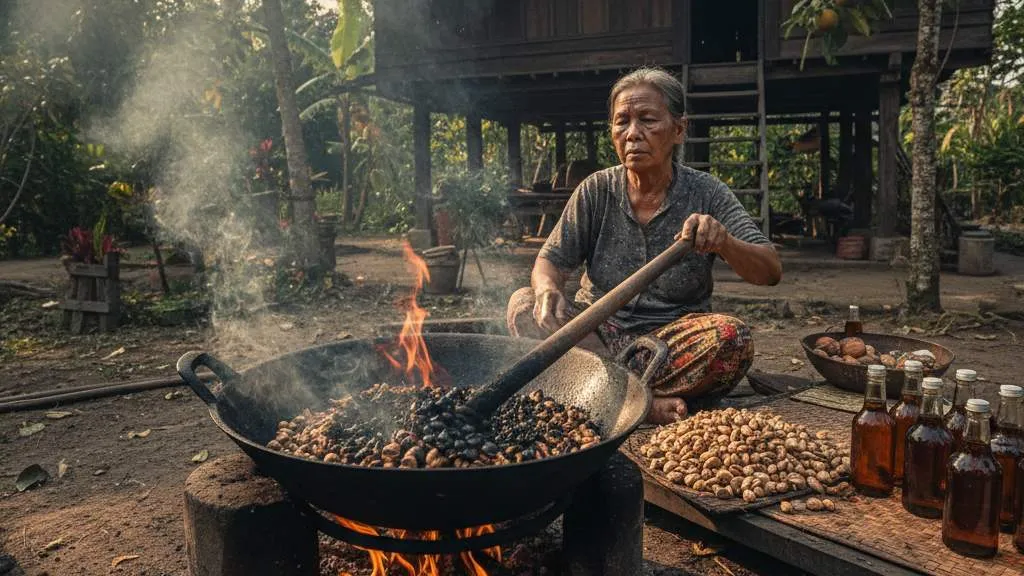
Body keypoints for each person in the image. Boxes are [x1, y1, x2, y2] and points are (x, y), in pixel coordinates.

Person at [506, 67, 782, 425]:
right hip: (595, 336)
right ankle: (642, 401)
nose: (633, 133)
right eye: (622, 122)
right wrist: (547, 290)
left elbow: (770, 270)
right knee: (523, 304)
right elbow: (550, 262)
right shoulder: (596, 190)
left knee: (732, 338)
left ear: (679, 130)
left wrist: (726, 242)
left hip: (668, 345)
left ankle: (601, 392)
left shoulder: (707, 192)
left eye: (648, 120)